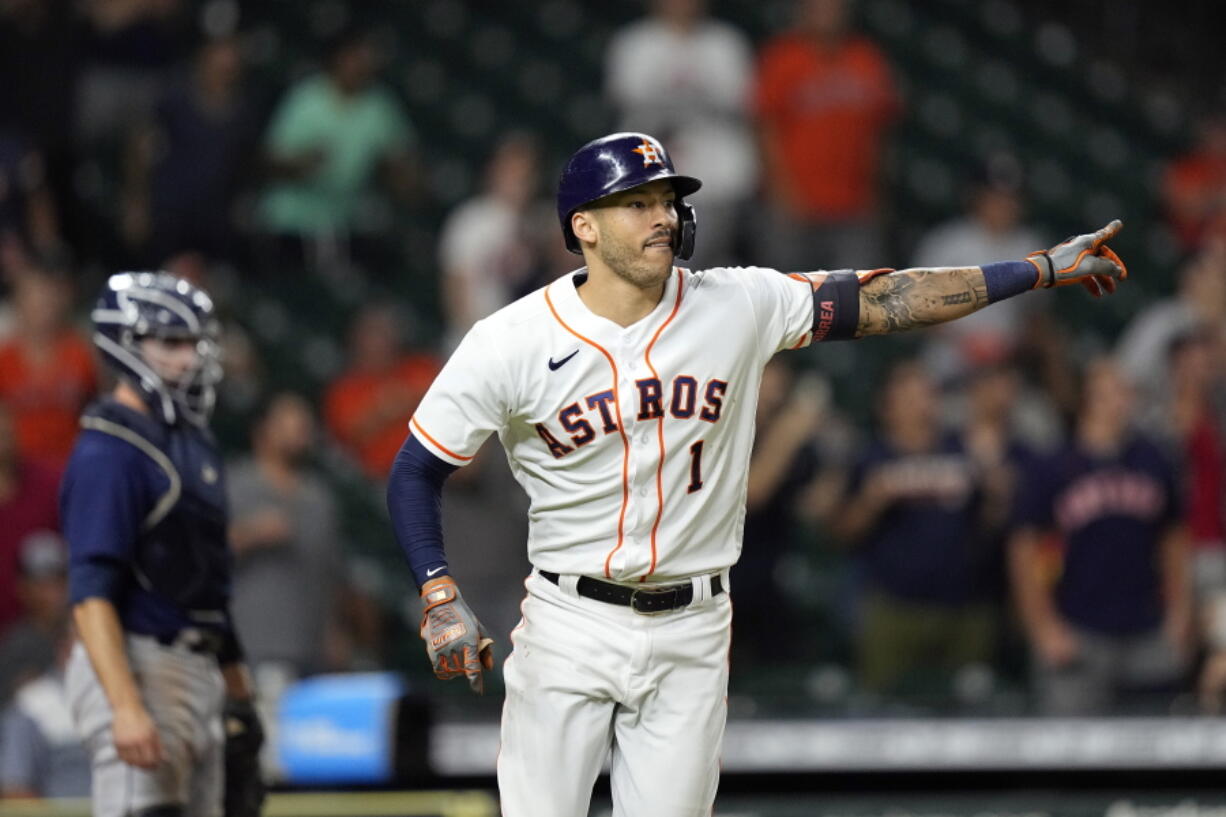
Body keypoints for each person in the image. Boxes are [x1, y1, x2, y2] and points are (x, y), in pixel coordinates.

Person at [385, 131, 1127, 814]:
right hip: (570, 619)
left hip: (695, 625)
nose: (662, 218)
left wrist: (1035, 270)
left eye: (668, 200)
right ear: (584, 225)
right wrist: (439, 590)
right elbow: (416, 469)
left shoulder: (737, 302)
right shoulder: (511, 339)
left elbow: (886, 297)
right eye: (637, 203)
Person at [61, 272, 264, 817]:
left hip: (196, 664)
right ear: (126, 346)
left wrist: (237, 688)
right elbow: (89, 593)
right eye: (172, 343)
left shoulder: (190, 442)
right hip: (139, 659)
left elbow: (205, 584)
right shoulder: (111, 447)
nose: (190, 359)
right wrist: (125, 706)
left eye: (194, 343)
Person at [1008, 360, 1193, 716]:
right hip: (1078, 629)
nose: (1121, 402)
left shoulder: (1152, 459)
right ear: (1087, 400)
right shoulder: (1055, 465)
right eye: (1110, 393)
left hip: (1146, 628)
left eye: (1125, 392)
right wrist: (1043, 626)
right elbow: (1024, 550)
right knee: (1073, 754)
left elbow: (1173, 541)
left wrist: (1180, 614)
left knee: (1152, 753)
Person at [833, 361, 1010, 700]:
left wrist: (996, 489)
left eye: (927, 395)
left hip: (964, 606)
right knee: (883, 707)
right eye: (909, 397)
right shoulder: (871, 456)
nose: (921, 405)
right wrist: (871, 500)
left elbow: (992, 525)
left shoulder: (964, 449)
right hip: (894, 608)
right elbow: (843, 532)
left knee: (972, 710)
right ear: (888, 406)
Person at [605, 0, 757, 268]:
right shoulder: (635, 43)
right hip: (650, 175)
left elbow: (740, 100)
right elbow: (627, 96)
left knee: (710, 270)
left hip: (716, 175)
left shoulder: (725, 44)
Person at [752, 0, 900, 271]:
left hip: (855, 204)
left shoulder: (867, 59)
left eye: (835, 7)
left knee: (856, 292)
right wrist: (782, 192)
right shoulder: (782, 58)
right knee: (790, 294)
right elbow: (765, 131)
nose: (828, 14)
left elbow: (879, 134)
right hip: (796, 204)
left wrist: (875, 191)